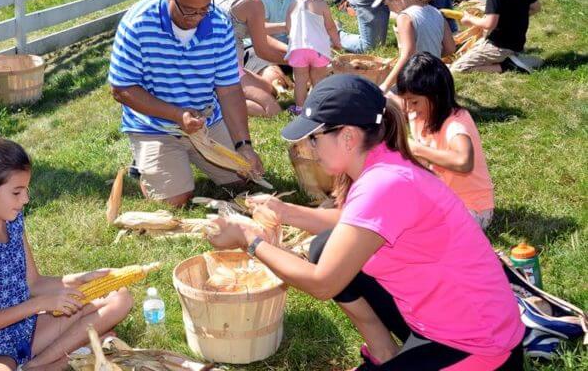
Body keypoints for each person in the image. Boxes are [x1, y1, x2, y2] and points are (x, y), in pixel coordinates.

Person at [207, 74, 525, 370]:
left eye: (314, 138)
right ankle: (384, 352)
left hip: (480, 347)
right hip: (444, 320)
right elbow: (352, 224)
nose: (310, 148)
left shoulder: (383, 184)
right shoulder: (382, 161)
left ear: (347, 137)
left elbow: (322, 283)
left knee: (327, 261)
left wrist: (249, 240)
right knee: (323, 245)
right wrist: (286, 210)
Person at [0, 137, 134, 371]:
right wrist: (38, 306)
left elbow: (33, 283)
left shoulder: (12, 222)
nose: (25, 199)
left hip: (28, 331)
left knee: (119, 296)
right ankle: (64, 359)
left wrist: (80, 279)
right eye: (16, 192)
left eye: (25, 190)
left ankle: (37, 365)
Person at [109, 0, 263, 207]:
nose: (198, 18)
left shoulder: (219, 23)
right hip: (156, 126)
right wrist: (176, 115)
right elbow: (121, 89)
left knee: (244, 180)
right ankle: (147, 163)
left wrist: (244, 145)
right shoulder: (137, 23)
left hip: (205, 121)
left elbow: (229, 89)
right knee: (175, 200)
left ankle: (184, 158)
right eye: (190, 10)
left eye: (205, 8)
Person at [397, 53, 495, 229]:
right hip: (442, 199)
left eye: (413, 102)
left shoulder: (455, 123)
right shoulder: (419, 114)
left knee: (421, 233)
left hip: (472, 208)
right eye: (405, 101)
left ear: (436, 96)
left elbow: (464, 162)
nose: (408, 108)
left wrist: (417, 149)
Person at [215, 0, 288, 117]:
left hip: (217, 62)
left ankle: (222, 95)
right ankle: (219, 103)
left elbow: (246, 28)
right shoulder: (253, 2)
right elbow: (262, 50)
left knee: (270, 89)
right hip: (226, 69)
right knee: (272, 110)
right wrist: (299, 60)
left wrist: (284, 26)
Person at [371, 0, 454, 93]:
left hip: (418, 80)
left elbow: (408, 54)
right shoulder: (436, 12)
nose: (389, 9)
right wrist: (431, 56)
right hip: (438, 78)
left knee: (383, 101)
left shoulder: (405, 17)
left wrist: (385, 86)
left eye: (387, 5)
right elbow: (450, 48)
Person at [244, 0, 305, 86]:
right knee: (275, 79)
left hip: (286, 46)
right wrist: (290, 49)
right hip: (258, 47)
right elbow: (260, 33)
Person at [285, 0, 341, 113]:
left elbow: (288, 28)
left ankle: (299, 108)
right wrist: (336, 42)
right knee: (319, 80)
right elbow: (330, 27)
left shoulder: (292, 5)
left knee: (300, 81)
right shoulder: (321, 5)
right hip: (318, 49)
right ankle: (318, 106)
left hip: (298, 50)